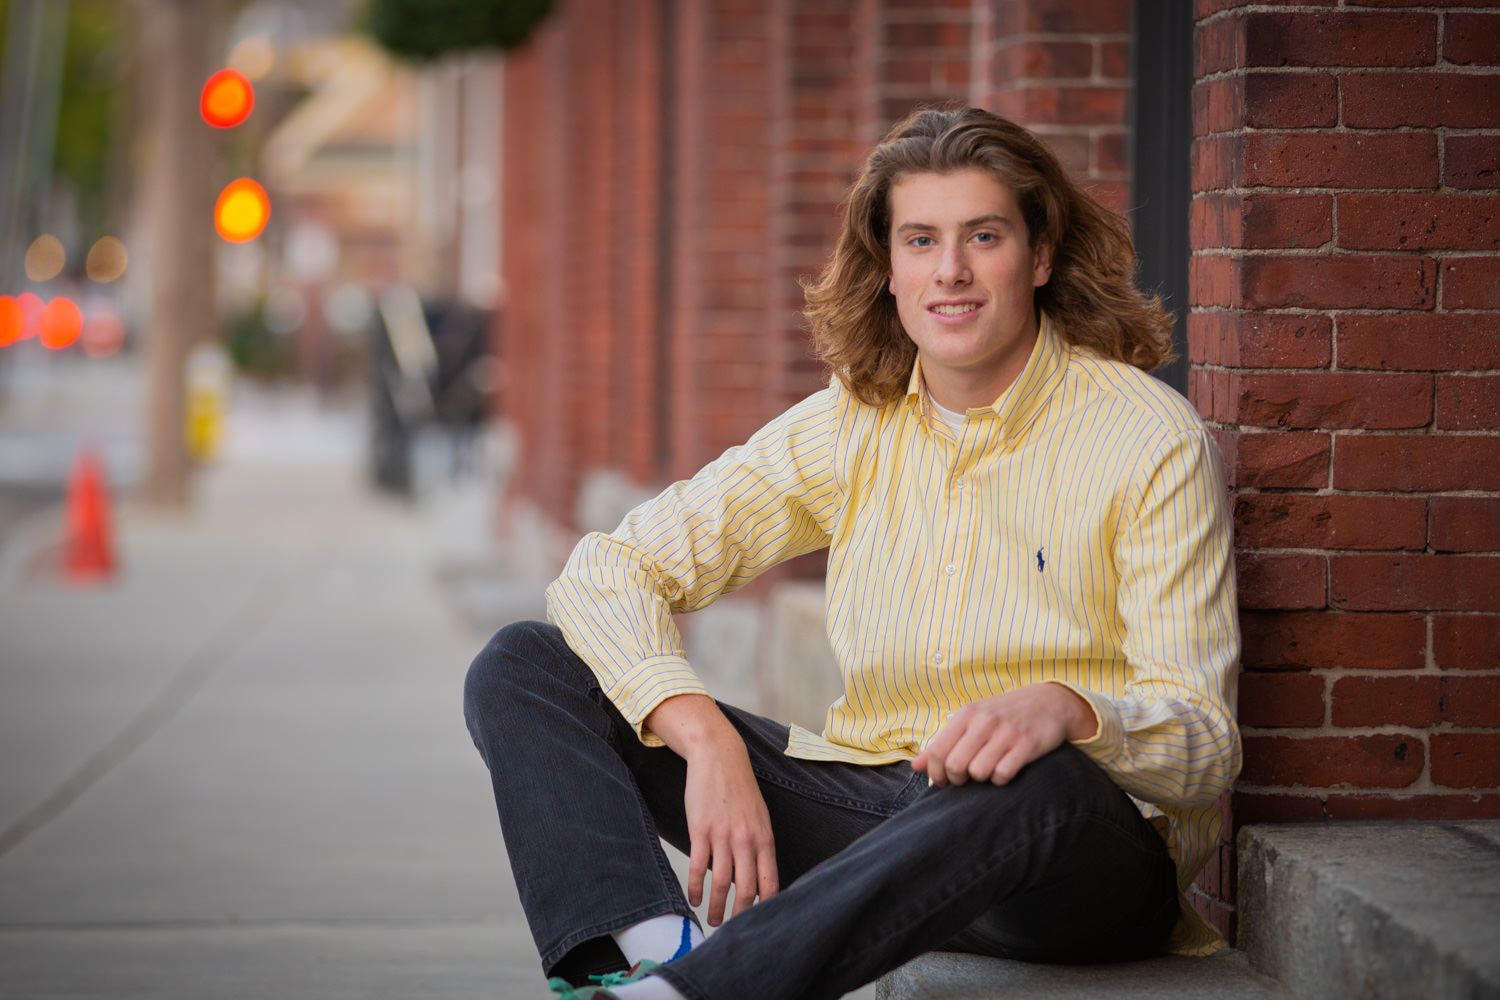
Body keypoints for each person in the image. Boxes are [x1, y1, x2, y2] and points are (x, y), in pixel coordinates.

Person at [464, 106, 1241, 1000]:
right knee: (526, 666)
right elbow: (609, 568)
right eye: (920, 240)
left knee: (1036, 778)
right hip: (878, 813)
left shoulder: (1147, 439)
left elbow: (1208, 743)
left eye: (983, 236)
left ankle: (706, 992)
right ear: (889, 269)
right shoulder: (852, 424)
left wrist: (1069, 710)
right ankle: (648, 958)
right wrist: (702, 735)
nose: (950, 271)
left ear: (1040, 255)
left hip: (1074, 861)